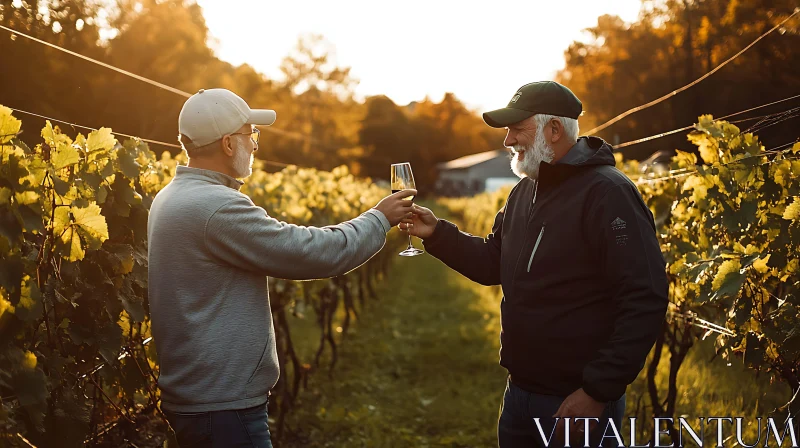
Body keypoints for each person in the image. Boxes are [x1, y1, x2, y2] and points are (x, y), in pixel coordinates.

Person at [402, 81, 668, 448]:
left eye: (516, 128)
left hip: (575, 402)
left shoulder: (609, 194)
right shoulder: (525, 190)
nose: (508, 141)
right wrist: (436, 233)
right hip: (519, 395)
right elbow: (494, 263)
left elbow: (646, 297)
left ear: (554, 129)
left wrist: (596, 390)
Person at [147, 88, 415, 447]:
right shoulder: (216, 207)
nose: (255, 145)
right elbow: (313, 252)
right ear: (228, 144)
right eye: (250, 134)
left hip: (204, 398)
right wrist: (379, 218)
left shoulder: (171, 196)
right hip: (222, 406)